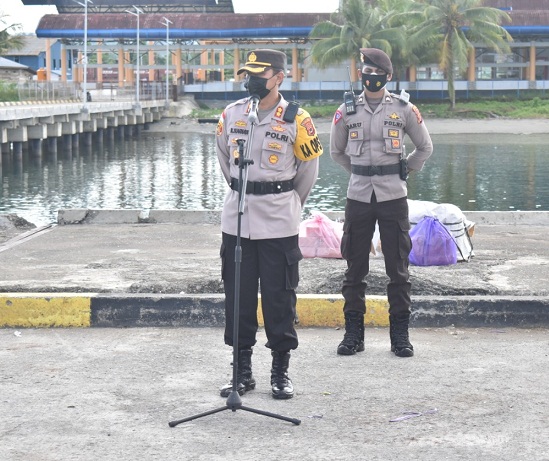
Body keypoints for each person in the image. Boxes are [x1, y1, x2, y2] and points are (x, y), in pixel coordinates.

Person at [215, 49, 323, 399]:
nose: (251, 80)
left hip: (279, 222)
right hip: (237, 220)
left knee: (279, 299)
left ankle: (280, 371)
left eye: (259, 74)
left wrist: (287, 202)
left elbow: (308, 172)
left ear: (278, 77)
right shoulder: (232, 114)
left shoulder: (298, 119)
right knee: (238, 299)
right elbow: (224, 159)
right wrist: (243, 190)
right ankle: (241, 372)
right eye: (248, 74)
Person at [330, 48, 433, 358]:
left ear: (388, 76)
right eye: (367, 71)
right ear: (360, 73)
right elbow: (336, 151)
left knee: (398, 269)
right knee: (354, 269)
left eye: (377, 73)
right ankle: (353, 334)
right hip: (358, 197)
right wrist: (359, 171)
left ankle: (400, 335)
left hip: (393, 196)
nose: (371, 77)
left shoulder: (404, 108)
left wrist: (405, 169)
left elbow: (425, 147)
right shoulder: (346, 110)